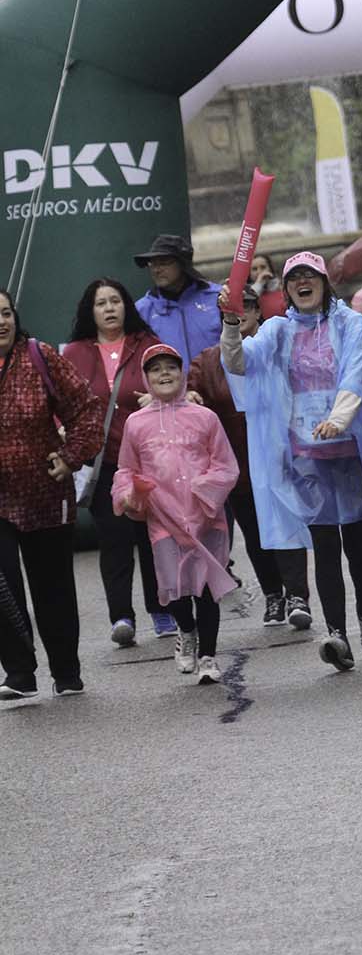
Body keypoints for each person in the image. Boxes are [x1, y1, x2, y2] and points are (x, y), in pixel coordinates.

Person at [221, 252, 362, 670]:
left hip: (349, 447)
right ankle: (336, 634)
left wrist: (338, 420)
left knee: (356, 544)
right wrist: (230, 323)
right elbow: (239, 362)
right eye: (294, 278)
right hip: (305, 455)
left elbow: (356, 371)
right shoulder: (277, 330)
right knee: (324, 545)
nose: (303, 283)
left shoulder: (348, 323)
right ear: (285, 289)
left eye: (310, 276)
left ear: (323, 282)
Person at [112, 345, 240, 685]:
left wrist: (205, 490)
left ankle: (209, 656)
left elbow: (225, 465)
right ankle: (186, 630)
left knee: (205, 589)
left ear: (182, 373)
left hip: (205, 517)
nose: (164, 374)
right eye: (156, 369)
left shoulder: (205, 418)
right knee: (174, 589)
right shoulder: (136, 424)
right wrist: (129, 493)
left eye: (171, 367)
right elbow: (126, 468)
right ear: (145, 377)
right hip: (163, 520)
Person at [0, 291, 103, 700]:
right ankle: (20, 674)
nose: (1, 322)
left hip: (45, 494)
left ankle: (66, 671)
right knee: (2, 588)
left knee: (52, 587)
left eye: (5, 314)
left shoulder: (38, 356)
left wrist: (70, 457)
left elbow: (86, 409)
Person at [63, 278, 177, 646]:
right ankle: (121, 617)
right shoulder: (75, 353)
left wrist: (160, 400)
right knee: (114, 539)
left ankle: (162, 610)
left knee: (152, 537)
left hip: (150, 459)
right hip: (102, 463)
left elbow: (175, 384)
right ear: (90, 311)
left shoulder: (148, 344)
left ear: (127, 305)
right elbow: (60, 403)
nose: (110, 308)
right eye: (101, 303)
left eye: (115, 301)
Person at [188, 289, 301, 628]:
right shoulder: (208, 360)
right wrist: (192, 395)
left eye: (248, 305)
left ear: (258, 310)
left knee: (287, 526)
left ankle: (297, 594)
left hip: (280, 454)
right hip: (238, 461)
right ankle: (272, 594)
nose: (243, 311)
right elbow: (194, 389)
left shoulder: (278, 346)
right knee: (255, 534)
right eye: (234, 308)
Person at [134, 233, 222, 367]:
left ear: (183, 264)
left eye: (163, 262)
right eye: (152, 264)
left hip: (220, 386)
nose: (156, 270)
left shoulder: (218, 297)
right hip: (171, 387)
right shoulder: (142, 310)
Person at [249, 253, 286, 320]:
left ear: (270, 269)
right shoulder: (246, 293)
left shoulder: (283, 289)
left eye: (263, 267)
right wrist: (258, 284)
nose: (259, 271)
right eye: (254, 269)